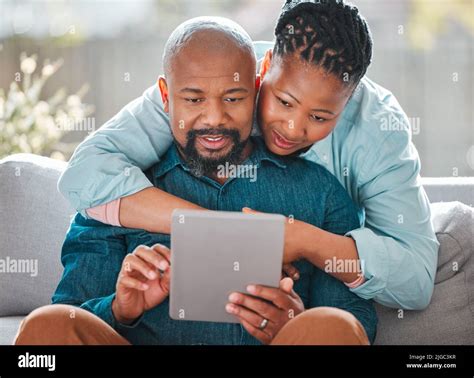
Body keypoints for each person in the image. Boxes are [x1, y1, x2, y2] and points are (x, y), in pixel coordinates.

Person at [15, 17, 377, 345]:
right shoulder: (117, 194)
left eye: (233, 98)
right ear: (167, 97)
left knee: (334, 326)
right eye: (194, 99)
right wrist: (121, 308)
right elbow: (70, 312)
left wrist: (292, 320)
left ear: (255, 90)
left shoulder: (320, 192)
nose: (214, 119)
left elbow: (355, 322)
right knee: (49, 326)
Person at [57, 0, 439, 309]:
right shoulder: (221, 76)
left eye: (320, 117)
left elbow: (416, 282)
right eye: (284, 101)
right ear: (265, 68)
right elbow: (85, 173)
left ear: (350, 100)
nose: (292, 128)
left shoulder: (378, 132)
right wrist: (229, 233)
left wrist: (301, 240)